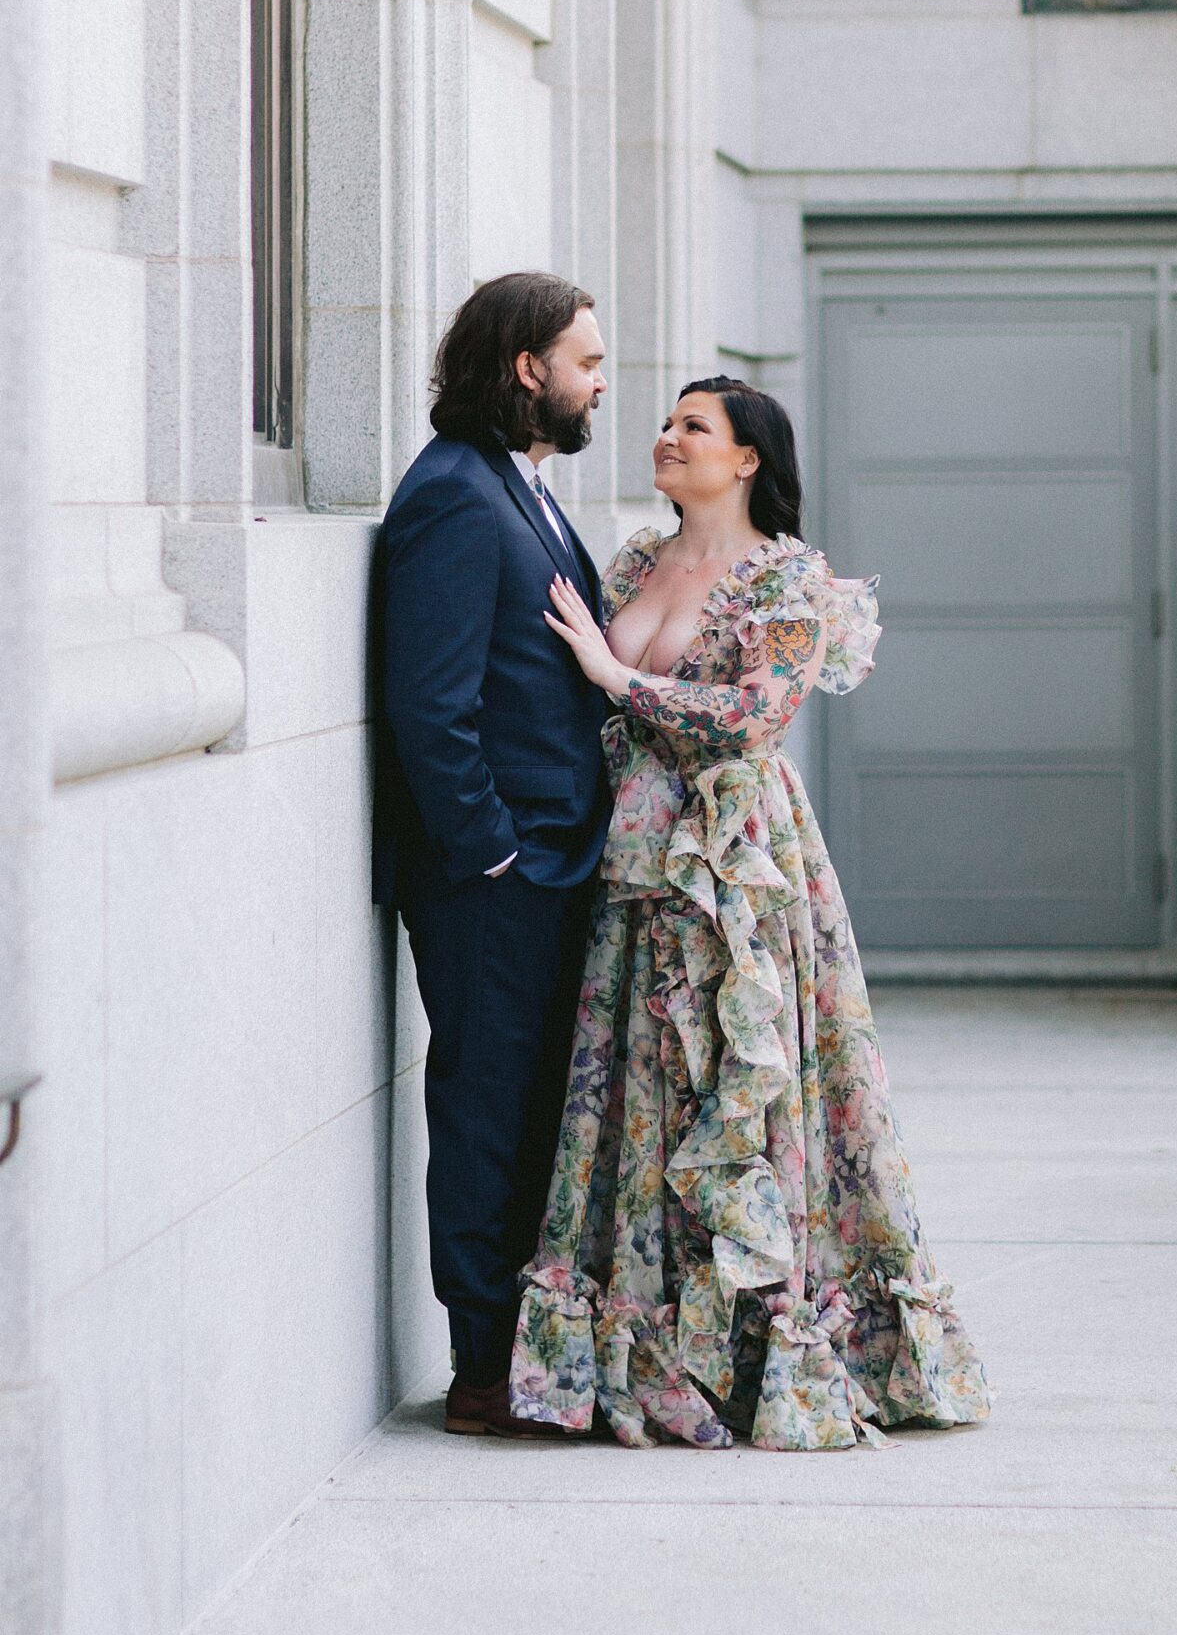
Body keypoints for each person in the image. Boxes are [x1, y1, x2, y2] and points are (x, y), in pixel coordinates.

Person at [510, 374, 992, 1449]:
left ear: (747, 461)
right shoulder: (634, 558)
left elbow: (751, 717)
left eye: (695, 427)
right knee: (643, 1092)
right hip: (634, 864)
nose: (667, 437)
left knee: (737, 1086)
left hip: (735, 867)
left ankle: (763, 1342)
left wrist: (608, 671)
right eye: (668, 421)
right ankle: (656, 1350)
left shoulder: (789, 580)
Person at [372, 272, 612, 1440]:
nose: (600, 383)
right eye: (586, 362)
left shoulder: (528, 489)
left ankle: (528, 1355)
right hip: (495, 883)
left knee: (532, 1113)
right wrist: (495, 856)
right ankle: (481, 1369)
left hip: (555, 863)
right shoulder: (457, 497)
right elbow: (432, 703)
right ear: (527, 369)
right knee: (486, 1108)